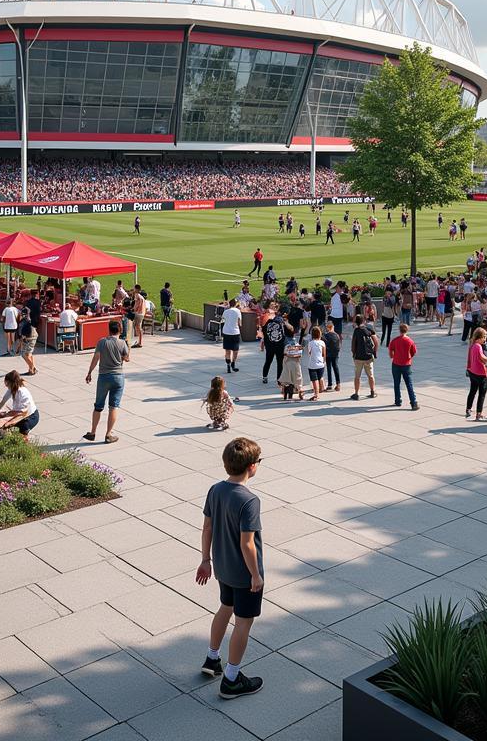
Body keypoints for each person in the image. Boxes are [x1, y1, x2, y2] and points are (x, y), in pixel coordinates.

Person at [196, 436, 265, 700]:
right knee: (244, 622)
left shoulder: (215, 490)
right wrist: (256, 575)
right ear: (251, 467)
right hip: (244, 574)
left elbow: (207, 527)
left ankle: (212, 659)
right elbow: (247, 544)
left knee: (225, 607)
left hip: (222, 568)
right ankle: (233, 679)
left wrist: (205, 560)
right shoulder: (249, 501)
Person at [83, 320, 129, 444]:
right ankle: (109, 434)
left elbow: (96, 358)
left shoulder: (102, 342)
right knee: (113, 407)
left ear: (109, 330)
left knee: (98, 406)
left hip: (103, 377)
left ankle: (92, 432)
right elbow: (127, 358)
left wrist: (89, 373)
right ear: (120, 330)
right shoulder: (122, 343)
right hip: (118, 377)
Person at [0, 370, 41, 440]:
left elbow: (23, 413)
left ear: (12, 383)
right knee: (4, 426)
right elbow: (1, 404)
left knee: (21, 437)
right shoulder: (11, 389)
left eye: (7, 384)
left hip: (30, 417)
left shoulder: (22, 392)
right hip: (19, 414)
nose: (6, 386)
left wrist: (8, 419)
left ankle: (24, 446)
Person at [388, 322, 419, 410]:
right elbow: (414, 352)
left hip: (396, 364)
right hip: (406, 365)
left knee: (396, 383)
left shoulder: (394, 340)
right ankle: (413, 402)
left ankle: (398, 401)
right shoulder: (410, 341)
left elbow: (390, 352)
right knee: (409, 384)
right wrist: (409, 357)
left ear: (399, 330)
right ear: (407, 330)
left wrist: (393, 356)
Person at [465, 326, 487, 421]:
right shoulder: (478, 346)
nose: (485, 339)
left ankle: (468, 409)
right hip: (481, 373)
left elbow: (472, 358)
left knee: (472, 391)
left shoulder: (472, 345)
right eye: (484, 337)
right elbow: (482, 358)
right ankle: (479, 414)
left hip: (473, 372)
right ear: (479, 337)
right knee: (482, 394)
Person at [349, 313, 378, 401]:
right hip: (368, 356)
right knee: (371, 375)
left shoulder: (356, 331)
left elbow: (353, 345)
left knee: (357, 376)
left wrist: (353, 354)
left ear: (356, 322)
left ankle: (356, 393)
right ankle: (372, 392)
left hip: (358, 357)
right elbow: (376, 342)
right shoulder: (369, 329)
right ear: (363, 321)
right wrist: (374, 353)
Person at [260, 306, 285, 384]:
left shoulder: (268, 323)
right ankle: (279, 379)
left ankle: (265, 377)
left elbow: (263, 331)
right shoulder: (282, 323)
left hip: (270, 346)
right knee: (280, 363)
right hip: (280, 346)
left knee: (268, 361)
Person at [305, 325, 326, 401]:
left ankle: (316, 394)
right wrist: (324, 362)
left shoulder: (310, 343)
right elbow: (324, 354)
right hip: (321, 364)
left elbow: (309, 353)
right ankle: (322, 388)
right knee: (320, 377)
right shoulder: (322, 343)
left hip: (312, 364)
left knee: (314, 380)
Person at [221, 299, 242, 374]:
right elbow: (240, 324)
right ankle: (233, 363)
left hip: (226, 332)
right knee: (235, 350)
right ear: (236, 304)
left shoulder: (226, 311)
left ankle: (228, 365)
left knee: (227, 350)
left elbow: (223, 320)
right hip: (235, 332)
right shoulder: (238, 311)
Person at [16, 307, 38, 376]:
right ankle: (31, 370)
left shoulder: (24, 321)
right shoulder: (29, 319)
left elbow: (23, 333)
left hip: (29, 339)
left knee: (24, 354)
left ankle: (33, 368)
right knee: (29, 354)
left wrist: (19, 345)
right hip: (32, 337)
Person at [322, 321, 341, 392]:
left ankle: (330, 384)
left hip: (328, 354)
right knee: (336, 367)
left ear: (327, 328)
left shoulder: (325, 335)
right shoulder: (336, 335)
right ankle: (338, 383)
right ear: (332, 327)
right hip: (335, 353)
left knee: (329, 368)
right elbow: (339, 345)